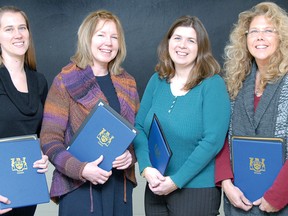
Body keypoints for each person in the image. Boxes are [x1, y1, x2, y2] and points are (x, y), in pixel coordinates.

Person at [40, 9, 139, 216]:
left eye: (114, 37)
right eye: (101, 35)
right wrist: (81, 169)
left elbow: (136, 134)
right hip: (79, 188)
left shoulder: (128, 82)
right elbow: (49, 140)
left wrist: (130, 156)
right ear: (87, 38)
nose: (108, 42)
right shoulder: (65, 81)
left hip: (119, 188)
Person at [133, 15, 230, 216]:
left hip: (196, 189)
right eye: (177, 38)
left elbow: (213, 140)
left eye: (191, 40)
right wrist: (146, 168)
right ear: (168, 42)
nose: (182, 45)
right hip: (156, 187)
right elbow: (140, 127)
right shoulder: (157, 80)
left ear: (200, 48)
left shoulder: (213, 85)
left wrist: (176, 180)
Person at [215, 2, 288, 215]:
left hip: (281, 202)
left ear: (282, 37)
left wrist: (276, 196)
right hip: (239, 200)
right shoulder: (235, 81)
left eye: (268, 31)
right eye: (254, 31)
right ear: (245, 38)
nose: (260, 37)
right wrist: (226, 183)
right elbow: (221, 136)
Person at [0, 6, 49, 216]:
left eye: (22, 28)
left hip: (27, 187)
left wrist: (44, 154)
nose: (18, 34)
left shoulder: (39, 81)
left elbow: (43, 133)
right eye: (9, 29)